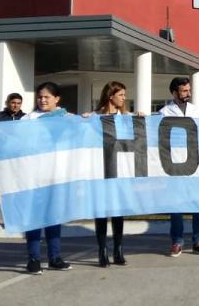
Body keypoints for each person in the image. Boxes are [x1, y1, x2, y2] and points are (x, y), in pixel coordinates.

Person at [0, 82, 71, 274]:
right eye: (40, 97)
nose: (42, 100)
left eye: (47, 97)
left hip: (55, 176)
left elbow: (84, 131)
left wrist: (88, 119)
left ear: (57, 99)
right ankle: (34, 259)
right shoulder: (28, 119)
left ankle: (55, 257)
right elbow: (14, 142)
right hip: (33, 176)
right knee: (33, 219)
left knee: (54, 218)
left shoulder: (66, 118)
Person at [158, 77, 199, 257]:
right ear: (174, 92)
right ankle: (177, 241)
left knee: (198, 203)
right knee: (176, 205)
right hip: (174, 164)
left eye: (189, 90)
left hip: (195, 162)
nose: (188, 93)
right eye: (184, 90)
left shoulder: (196, 110)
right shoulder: (164, 112)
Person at [90, 81, 130, 267]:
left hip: (118, 169)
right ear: (110, 96)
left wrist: (141, 118)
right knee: (101, 212)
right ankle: (102, 250)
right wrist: (83, 120)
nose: (124, 98)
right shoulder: (94, 117)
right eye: (120, 95)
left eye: (124, 95)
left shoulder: (126, 117)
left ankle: (118, 250)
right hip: (99, 169)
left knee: (117, 211)